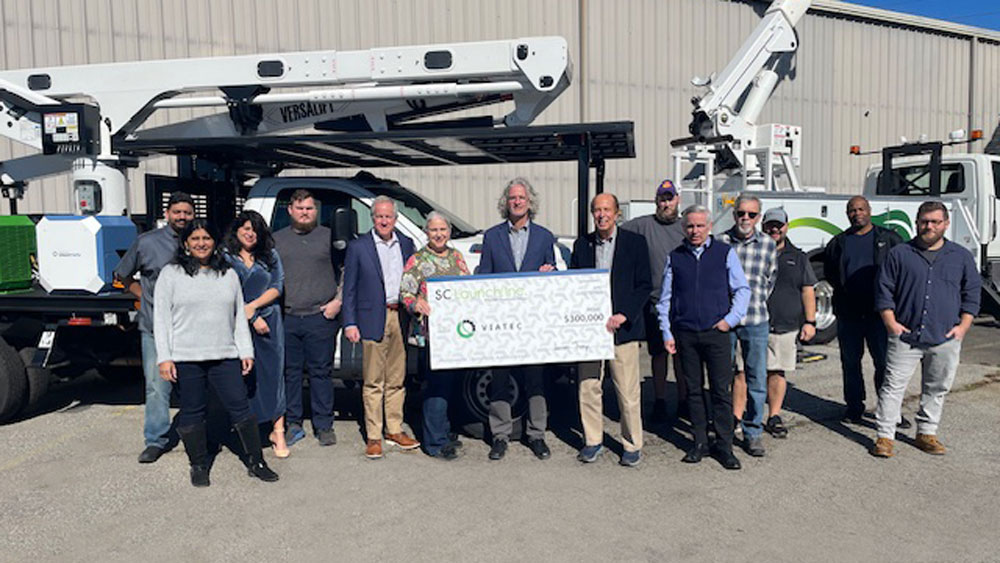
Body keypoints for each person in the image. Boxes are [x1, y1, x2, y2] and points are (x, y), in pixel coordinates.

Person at [154, 219, 278, 487]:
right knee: (192, 411)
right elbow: (161, 319)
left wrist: (245, 350)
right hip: (186, 357)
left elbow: (237, 318)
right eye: (195, 239)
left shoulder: (228, 274)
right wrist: (164, 357)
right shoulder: (171, 274)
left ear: (215, 242)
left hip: (224, 355)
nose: (201, 243)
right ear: (186, 243)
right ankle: (198, 464)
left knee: (240, 407)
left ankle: (256, 461)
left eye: (206, 238)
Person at [871, 201, 980, 458]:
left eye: (935, 222)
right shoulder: (900, 254)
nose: (929, 226)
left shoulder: (960, 256)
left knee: (936, 387)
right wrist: (890, 322)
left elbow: (972, 293)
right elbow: (884, 289)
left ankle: (926, 433)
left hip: (945, 336)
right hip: (905, 336)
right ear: (916, 222)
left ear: (946, 224)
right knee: (892, 386)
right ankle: (885, 436)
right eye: (924, 221)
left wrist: (963, 327)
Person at [657, 204, 749, 470]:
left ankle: (724, 445)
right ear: (683, 228)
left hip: (716, 333)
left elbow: (742, 289)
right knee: (693, 391)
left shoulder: (724, 253)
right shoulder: (674, 257)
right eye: (689, 226)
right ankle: (699, 442)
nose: (694, 231)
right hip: (686, 333)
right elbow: (665, 299)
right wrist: (667, 332)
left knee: (721, 391)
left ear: (709, 227)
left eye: (699, 226)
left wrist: (729, 321)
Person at [477, 177, 556, 461]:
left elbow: (553, 272)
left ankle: (537, 435)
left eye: (522, 198)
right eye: (512, 198)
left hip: (533, 321)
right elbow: (483, 275)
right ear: (505, 203)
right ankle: (500, 435)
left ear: (530, 202)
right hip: (502, 321)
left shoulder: (545, 237)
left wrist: (551, 271)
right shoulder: (492, 236)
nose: (517, 202)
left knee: (536, 379)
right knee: (500, 379)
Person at [571, 193, 652, 467]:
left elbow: (644, 285)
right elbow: (572, 284)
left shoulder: (635, 243)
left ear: (617, 213)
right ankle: (593, 441)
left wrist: (624, 314)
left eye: (607, 209)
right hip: (590, 330)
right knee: (588, 387)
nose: (601, 215)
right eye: (597, 210)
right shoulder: (582, 244)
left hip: (622, 329)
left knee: (627, 391)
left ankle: (632, 443)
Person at [114, 191, 195, 464]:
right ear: (168, 213)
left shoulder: (200, 241)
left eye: (187, 212)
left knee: (197, 384)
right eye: (177, 212)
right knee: (157, 387)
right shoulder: (147, 243)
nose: (182, 217)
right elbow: (122, 275)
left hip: (191, 328)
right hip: (155, 328)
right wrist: (144, 297)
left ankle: (199, 431)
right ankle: (156, 440)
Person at [343, 196, 420, 459]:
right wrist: (350, 322)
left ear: (395, 219)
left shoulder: (407, 244)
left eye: (388, 216)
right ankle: (374, 436)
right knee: (373, 381)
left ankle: (395, 429)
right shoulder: (359, 247)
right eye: (379, 216)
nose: (384, 221)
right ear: (372, 218)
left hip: (400, 316)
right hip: (371, 318)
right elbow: (349, 288)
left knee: (397, 379)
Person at [823, 196, 906, 425]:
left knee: (884, 363)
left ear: (869, 211)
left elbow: (902, 270)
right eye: (852, 210)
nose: (857, 213)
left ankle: (890, 411)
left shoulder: (888, 239)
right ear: (847, 214)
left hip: (879, 315)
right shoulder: (838, 242)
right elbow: (831, 273)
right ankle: (853, 408)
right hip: (849, 314)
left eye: (861, 209)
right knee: (850, 363)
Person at [273, 189, 341, 448]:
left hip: (320, 316)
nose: (305, 212)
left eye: (310, 208)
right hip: (288, 316)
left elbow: (347, 270)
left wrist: (338, 301)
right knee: (290, 373)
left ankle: (324, 425)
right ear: (289, 210)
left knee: (321, 373)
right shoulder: (276, 240)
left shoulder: (330, 238)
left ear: (317, 211)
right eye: (300, 208)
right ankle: (293, 424)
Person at [400, 212, 470, 461]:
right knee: (436, 387)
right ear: (426, 232)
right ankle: (434, 443)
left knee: (451, 385)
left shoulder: (457, 257)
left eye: (442, 230)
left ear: (448, 232)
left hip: (456, 334)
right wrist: (416, 303)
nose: (438, 235)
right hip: (431, 335)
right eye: (433, 230)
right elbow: (405, 292)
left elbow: (469, 288)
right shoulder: (418, 259)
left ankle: (445, 431)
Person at [223, 210, 289, 458]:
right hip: (236, 323)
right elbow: (225, 291)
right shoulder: (226, 257)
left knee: (273, 374)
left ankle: (278, 430)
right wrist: (249, 314)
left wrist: (254, 307)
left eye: (255, 229)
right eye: (246, 229)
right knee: (243, 377)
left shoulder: (270, 256)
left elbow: (277, 286)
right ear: (237, 230)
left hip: (269, 322)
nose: (250, 234)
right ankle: (246, 431)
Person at [621, 179, 687, 424]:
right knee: (658, 354)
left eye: (670, 198)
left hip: (683, 304)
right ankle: (659, 400)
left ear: (677, 200)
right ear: (656, 200)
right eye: (662, 198)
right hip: (655, 303)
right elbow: (617, 233)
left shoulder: (686, 226)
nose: (666, 202)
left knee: (681, 355)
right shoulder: (642, 225)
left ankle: (683, 400)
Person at [720, 194, 777, 457]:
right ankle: (723, 428)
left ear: (759, 217)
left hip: (755, 320)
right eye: (741, 213)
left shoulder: (767, 245)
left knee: (756, 379)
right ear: (734, 215)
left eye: (751, 215)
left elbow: (770, 281)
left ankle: (752, 431)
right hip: (725, 322)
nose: (745, 218)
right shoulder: (720, 242)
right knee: (722, 377)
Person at [760, 208, 817, 438]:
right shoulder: (753, 250)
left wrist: (810, 321)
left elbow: (808, 291)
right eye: (770, 225)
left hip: (784, 325)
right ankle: (741, 414)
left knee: (776, 371)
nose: (774, 229)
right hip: (753, 323)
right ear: (763, 226)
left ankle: (774, 415)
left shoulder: (799, 257)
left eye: (778, 225)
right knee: (742, 373)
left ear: (786, 226)